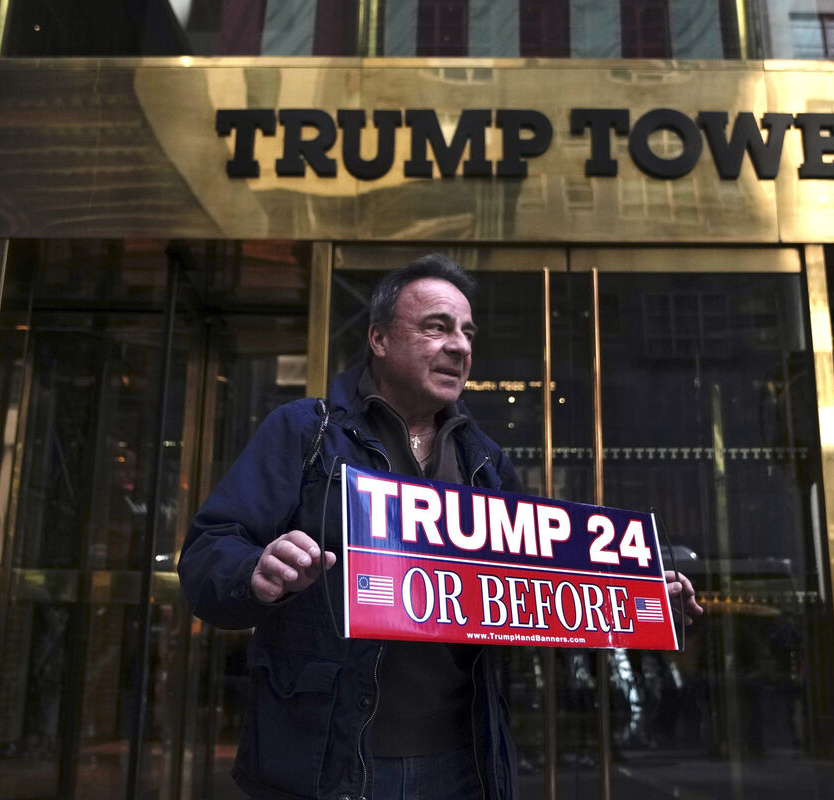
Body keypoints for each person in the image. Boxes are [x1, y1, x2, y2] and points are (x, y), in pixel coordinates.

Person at [178, 253, 704, 800]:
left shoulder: (487, 462)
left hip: (463, 764)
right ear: (379, 340)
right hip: (327, 764)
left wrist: (640, 601)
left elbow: (544, 597)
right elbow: (207, 554)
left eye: (467, 332)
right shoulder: (304, 433)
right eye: (437, 327)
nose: (460, 346)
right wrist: (256, 571)